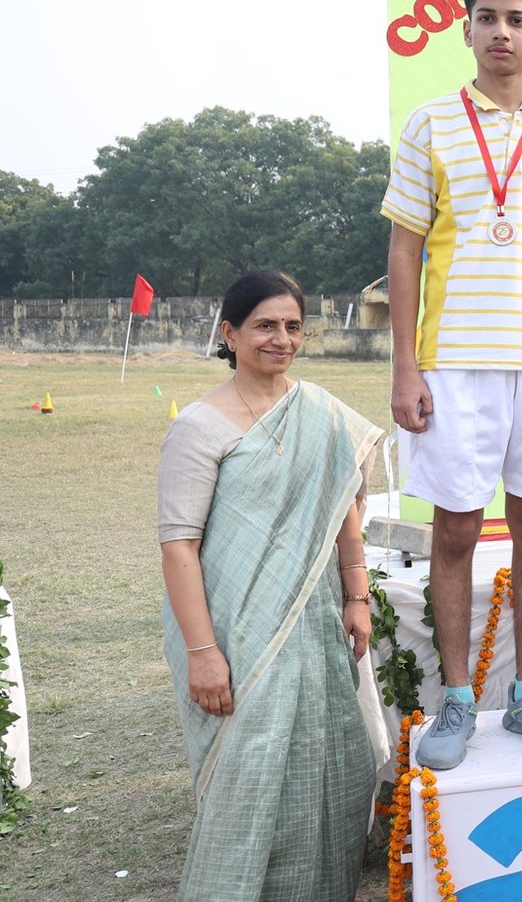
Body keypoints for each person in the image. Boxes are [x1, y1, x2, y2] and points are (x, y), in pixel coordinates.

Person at [383, 0, 522, 769]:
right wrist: (406, 367)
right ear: (466, 27)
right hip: (455, 363)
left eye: (516, 19)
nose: (501, 32)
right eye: (487, 17)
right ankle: (456, 700)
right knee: (456, 530)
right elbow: (404, 250)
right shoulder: (429, 125)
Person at [158, 270, 383, 901]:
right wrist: (204, 654)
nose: (281, 339)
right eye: (264, 325)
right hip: (235, 634)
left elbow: (343, 508)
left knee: (332, 765)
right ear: (229, 334)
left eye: (292, 326)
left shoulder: (321, 413)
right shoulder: (199, 426)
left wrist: (357, 595)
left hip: (314, 622)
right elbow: (179, 547)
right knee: (248, 775)